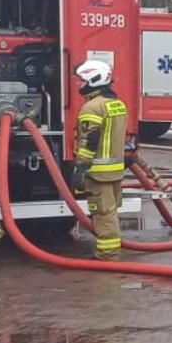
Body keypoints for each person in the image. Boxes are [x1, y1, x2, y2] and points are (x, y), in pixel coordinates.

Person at [73, 59, 131, 260]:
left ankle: (107, 254)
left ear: (93, 80)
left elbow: (91, 139)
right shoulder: (117, 105)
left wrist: (81, 167)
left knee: (103, 214)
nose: (79, 84)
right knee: (111, 212)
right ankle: (110, 251)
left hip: (98, 173)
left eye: (82, 80)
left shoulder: (92, 107)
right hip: (115, 170)